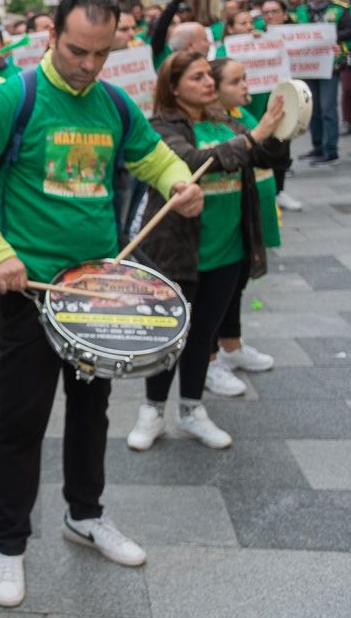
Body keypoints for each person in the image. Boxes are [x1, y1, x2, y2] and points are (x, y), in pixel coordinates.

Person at [0, 0, 204, 609]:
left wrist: (180, 183)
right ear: (52, 34)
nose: (89, 65)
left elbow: (156, 160)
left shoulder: (112, 102)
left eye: (101, 54)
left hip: (97, 290)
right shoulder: (14, 97)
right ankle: (9, 547)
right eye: (78, 51)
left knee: (91, 411)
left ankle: (85, 515)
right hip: (32, 294)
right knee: (22, 423)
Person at [126, 51, 285, 453]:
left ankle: (192, 410)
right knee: (166, 336)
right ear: (174, 86)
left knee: (202, 337)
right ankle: (152, 410)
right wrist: (253, 136)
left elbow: (265, 155)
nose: (208, 82)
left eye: (208, 76)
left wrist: (282, 128)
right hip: (177, 252)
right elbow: (193, 161)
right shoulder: (159, 126)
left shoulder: (226, 119)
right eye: (197, 77)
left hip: (228, 250)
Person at [206, 57, 279, 397]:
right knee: (210, 295)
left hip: (242, 216)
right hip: (213, 224)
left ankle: (231, 346)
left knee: (235, 283)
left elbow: (267, 156)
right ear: (213, 90)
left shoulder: (241, 115)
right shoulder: (209, 124)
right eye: (235, 82)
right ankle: (208, 360)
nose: (246, 86)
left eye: (245, 78)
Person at [295, 0, 351, 165]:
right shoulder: (301, 10)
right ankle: (317, 147)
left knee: (328, 108)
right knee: (313, 109)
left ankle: (330, 149)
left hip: (329, 67)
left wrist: (330, 36)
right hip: (308, 67)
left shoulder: (340, 10)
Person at [256, 0, 303, 212]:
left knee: (282, 143)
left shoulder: (300, 36)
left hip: (288, 97)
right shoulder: (255, 37)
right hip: (261, 100)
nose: (270, 16)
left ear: (285, 14)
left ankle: (279, 191)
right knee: (264, 146)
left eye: (274, 11)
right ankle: (264, 192)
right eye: (266, 13)